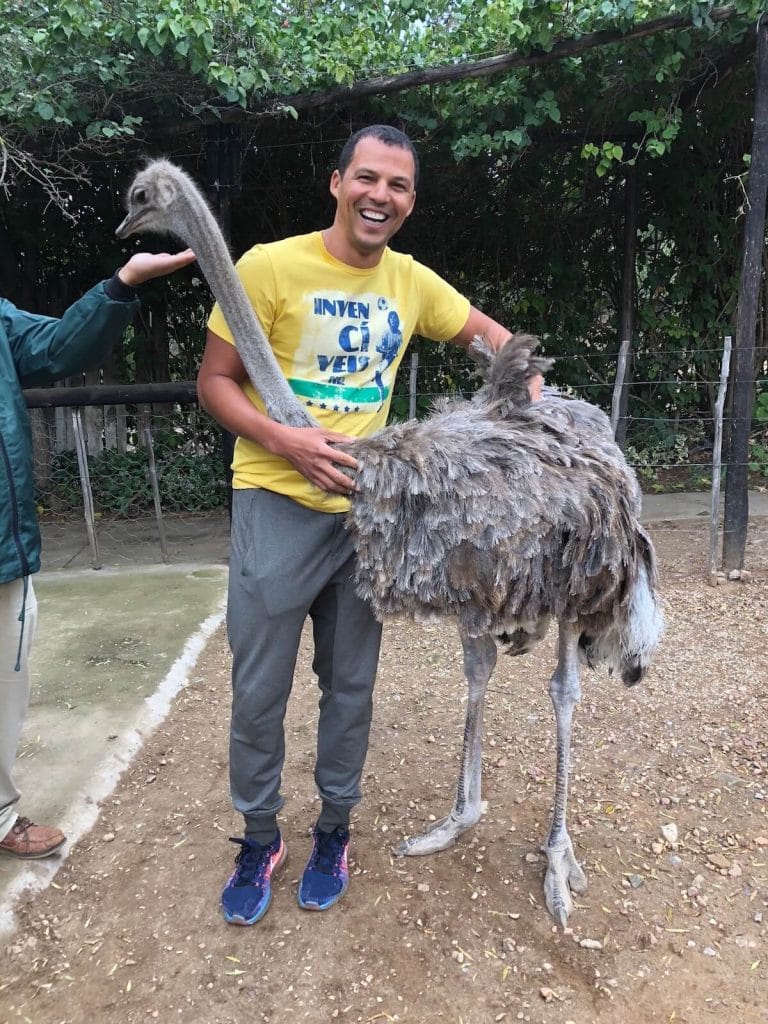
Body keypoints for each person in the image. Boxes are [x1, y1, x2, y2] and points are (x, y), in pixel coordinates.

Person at [197, 124, 540, 926]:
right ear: (337, 182)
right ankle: (258, 838)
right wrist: (285, 439)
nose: (380, 196)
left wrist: (530, 394)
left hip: (366, 518)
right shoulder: (267, 267)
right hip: (275, 504)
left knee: (349, 687)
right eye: (368, 178)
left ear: (410, 202)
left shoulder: (411, 283)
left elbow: (491, 338)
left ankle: (331, 832)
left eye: (399, 186)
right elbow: (214, 383)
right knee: (258, 691)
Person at [0, 247, 196, 859]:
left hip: (3, 548)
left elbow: (60, 347)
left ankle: (0, 814)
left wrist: (123, 283)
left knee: (7, 675)